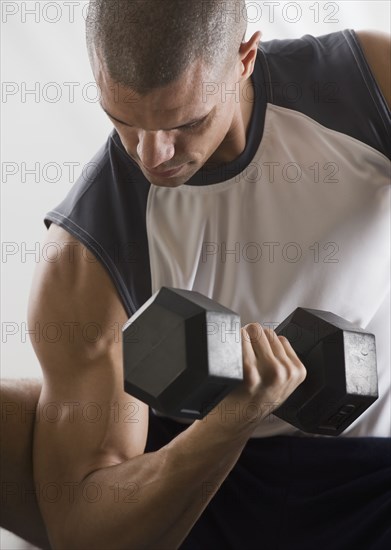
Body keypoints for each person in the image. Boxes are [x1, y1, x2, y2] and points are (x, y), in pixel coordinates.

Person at [2, 0, 390, 548]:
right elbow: (82, 532)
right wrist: (230, 422)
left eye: (186, 122)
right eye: (124, 121)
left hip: (375, 467)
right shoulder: (86, 254)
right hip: (200, 479)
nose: (152, 155)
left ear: (244, 58)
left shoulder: (363, 85)